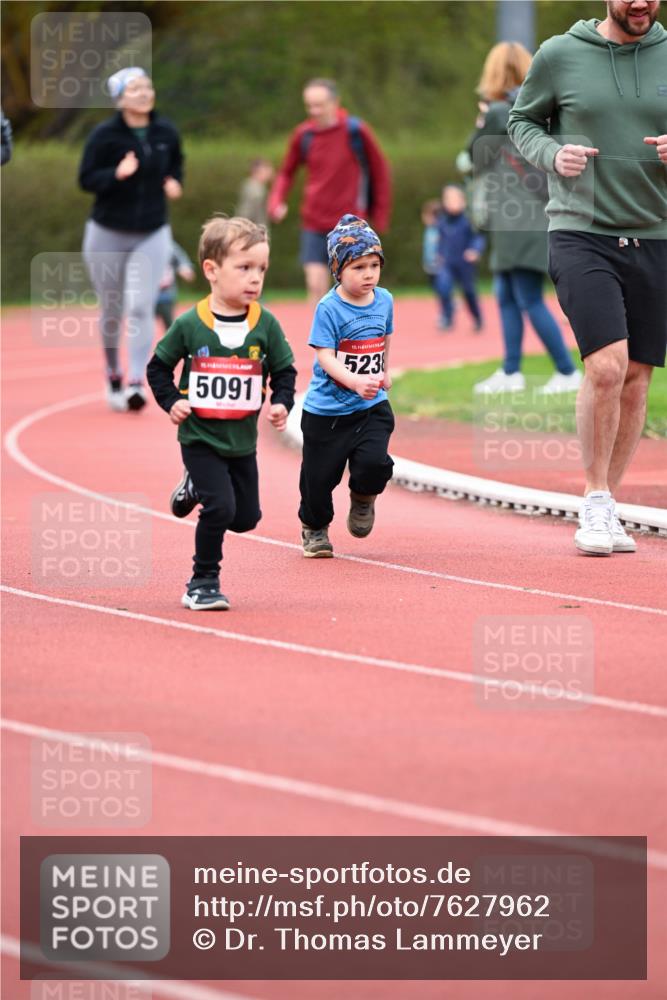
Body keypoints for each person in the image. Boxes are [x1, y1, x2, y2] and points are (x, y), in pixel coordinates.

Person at [508, 2, 666, 556]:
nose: (642, 3)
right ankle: (595, 499)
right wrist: (553, 154)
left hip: (657, 234)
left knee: (638, 376)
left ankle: (610, 504)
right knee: (607, 365)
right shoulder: (560, 54)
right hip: (581, 229)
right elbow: (521, 121)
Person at [146, 216, 296, 610]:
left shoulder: (265, 323)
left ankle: (193, 488)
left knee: (246, 518)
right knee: (221, 508)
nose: (255, 278)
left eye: (261, 268)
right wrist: (171, 402)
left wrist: (281, 401)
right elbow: (158, 368)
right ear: (211, 271)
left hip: (242, 441)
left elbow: (285, 371)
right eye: (244, 267)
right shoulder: (190, 324)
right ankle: (202, 583)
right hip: (200, 438)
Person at [468, 43, 582, 395]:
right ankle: (511, 370)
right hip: (526, 213)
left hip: (519, 218)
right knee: (506, 292)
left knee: (527, 295)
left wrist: (481, 122)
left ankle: (566, 371)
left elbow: (473, 159)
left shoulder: (500, 110)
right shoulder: (537, 106)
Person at [79, 67, 183, 412]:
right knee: (112, 310)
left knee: (141, 306)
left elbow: (177, 164)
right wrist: (115, 174)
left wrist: (174, 182)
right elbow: (86, 178)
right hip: (107, 231)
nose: (144, 93)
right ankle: (113, 372)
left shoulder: (166, 130)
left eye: (147, 86)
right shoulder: (105, 136)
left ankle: (136, 381)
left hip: (153, 231)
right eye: (135, 88)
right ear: (120, 98)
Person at [298, 214, 394, 558]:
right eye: (358, 267)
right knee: (318, 480)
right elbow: (324, 356)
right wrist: (354, 381)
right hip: (327, 411)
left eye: (373, 265)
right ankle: (314, 527)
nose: (368, 274)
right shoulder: (329, 308)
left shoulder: (384, 300)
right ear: (338, 270)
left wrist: (384, 370)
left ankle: (364, 496)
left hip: (370, 405)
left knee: (375, 462)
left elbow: (384, 338)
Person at [268, 78, 392, 304]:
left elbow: (380, 171)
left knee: (354, 289)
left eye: (319, 105)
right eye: (309, 105)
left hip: (350, 224)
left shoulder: (356, 131)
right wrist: (276, 201)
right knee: (316, 287)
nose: (314, 111)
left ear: (335, 102)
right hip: (314, 221)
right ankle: (323, 339)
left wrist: (380, 215)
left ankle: (357, 337)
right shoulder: (303, 135)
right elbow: (286, 172)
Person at [434, 185, 485, 331]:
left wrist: (474, 250)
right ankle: (447, 317)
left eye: (455, 199)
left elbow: (478, 238)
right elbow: (441, 241)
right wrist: (439, 254)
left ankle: (477, 318)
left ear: (463, 201)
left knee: (468, 292)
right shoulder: (442, 221)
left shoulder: (468, 220)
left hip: (465, 263)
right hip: (447, 262)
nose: (452, 202)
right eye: (448, 199)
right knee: (443, 287)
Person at [155, 239, 196, 333]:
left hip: (166, 294)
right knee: (143, 322)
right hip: (147, 295)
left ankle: (171, 344)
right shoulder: (140, 245)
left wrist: (185, 268)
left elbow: (181, 260)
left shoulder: (169, 245)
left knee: (168, 324)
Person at [236, 158, 274, 227]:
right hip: (255, 232)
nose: (271, 174)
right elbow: (246, 212)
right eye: (268, 170)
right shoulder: (257, 189)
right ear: (261, 171)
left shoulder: (249, 184)